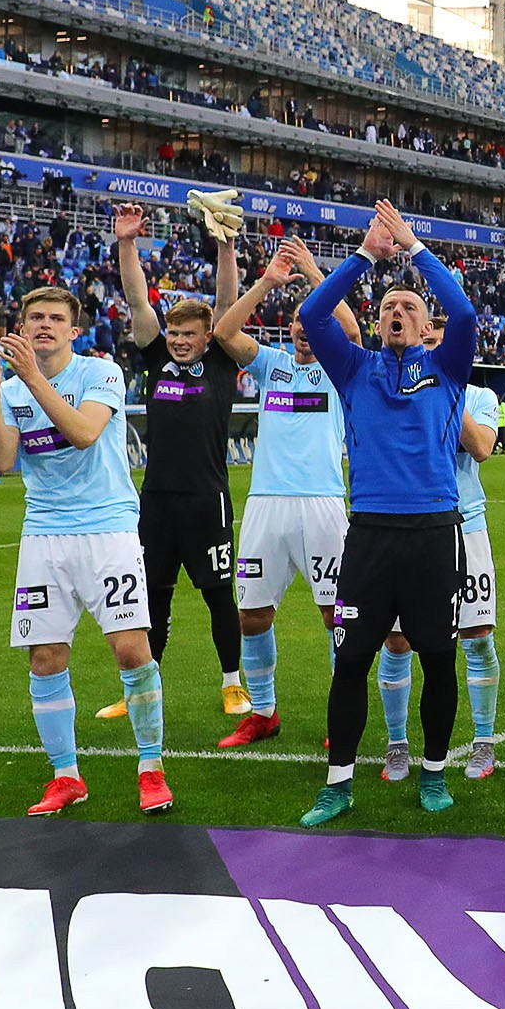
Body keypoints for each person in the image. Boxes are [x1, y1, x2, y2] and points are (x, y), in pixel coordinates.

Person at [295, 202, 476, 828]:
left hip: (433, 534)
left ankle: (434, 771)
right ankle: (338, 783)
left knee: (438, 659)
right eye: (389, 307)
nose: (398, 312)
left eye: (410, 308)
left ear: (427, 325)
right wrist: (366, 257)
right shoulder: (354, 368)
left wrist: (416, 249)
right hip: (369, 536)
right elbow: (313, 315)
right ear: (376, 323)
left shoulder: (448, 367)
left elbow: (466, 313)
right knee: (350, 662)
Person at [0, 292, 169, 817]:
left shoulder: (100, 373)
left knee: (131, 651)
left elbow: (83, 434)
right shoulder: (11, 388)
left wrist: (32, 378)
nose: (45, 325)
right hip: (44, 534)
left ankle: (151, 767)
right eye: (36, 317)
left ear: (73, 331)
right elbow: (2, 460)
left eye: (57, 319)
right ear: (21, 326)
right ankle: (66, 776)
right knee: (45, 658)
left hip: (107, 530)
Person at [214, 238, 358, 749]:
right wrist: (268, 282)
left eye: (311, 320)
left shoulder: (340, 367)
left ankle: (342, 716)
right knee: (252, 614)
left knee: (335, 616)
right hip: (265, 504)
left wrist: (316, 274)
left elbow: (352, 330)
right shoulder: (271, 363)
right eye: (297, 321)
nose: (302, 328)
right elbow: (224, 331)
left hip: (322, 504)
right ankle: (264, 713)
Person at [110, 203, 245, 717]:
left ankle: (232, 684)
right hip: (157, 500)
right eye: (175, 333)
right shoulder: (157, 359)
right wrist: (127, 243)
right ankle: (144, 689)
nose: (180, 341)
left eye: (189, 334)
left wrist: (226, 247)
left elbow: (227, 301)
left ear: (207, 337)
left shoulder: (221, 362)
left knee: (218, 595)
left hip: (206, 499)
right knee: (153, 597)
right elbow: (136, 300)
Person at [374, 312, 504, 781]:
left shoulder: (481, 397)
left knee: (477, 636)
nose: (433, 352)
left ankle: (484, 742)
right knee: (397, 640)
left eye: (442, 346)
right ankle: (397, 745)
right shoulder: (391, 391)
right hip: (405, 526)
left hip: (466, 526)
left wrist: (443, 386)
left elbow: (482, 447)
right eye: (427, 345)